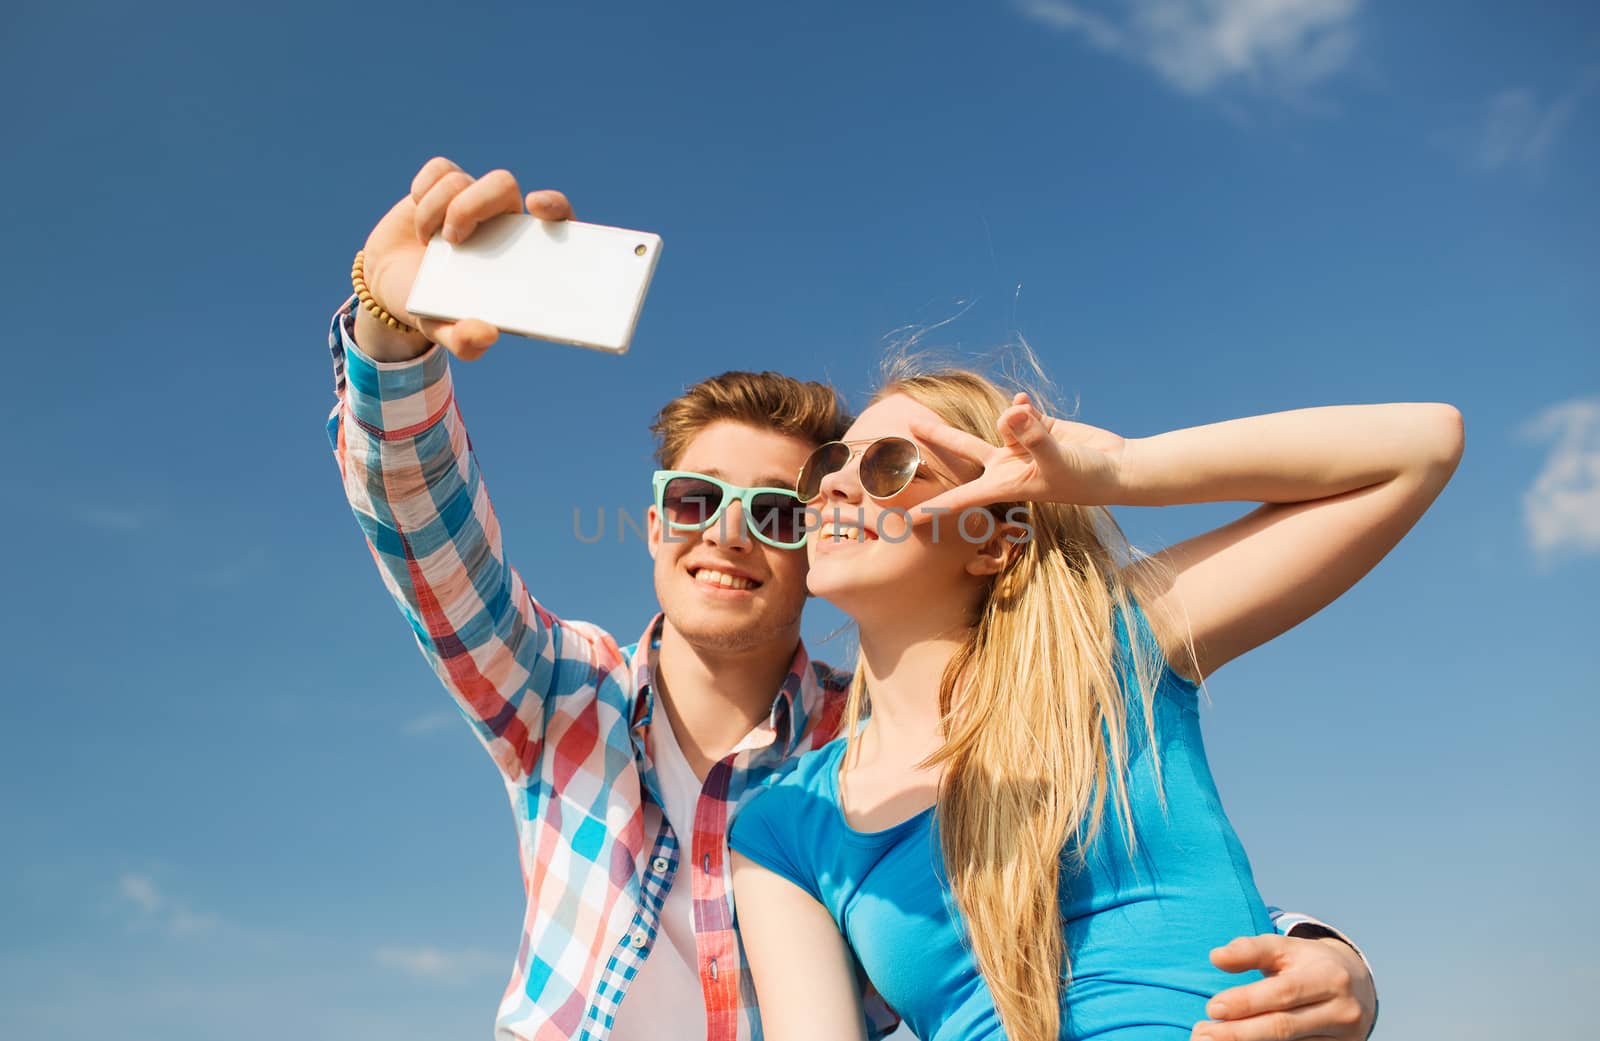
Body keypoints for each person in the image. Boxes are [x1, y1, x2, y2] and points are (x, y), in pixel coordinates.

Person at [328, 156, 1381, 1041]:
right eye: (694, 500)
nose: (728, 531)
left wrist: (1316, 949)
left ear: (813, 542)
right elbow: (424, 529)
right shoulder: (560, 693)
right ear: (653, 523)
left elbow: (1095, 877)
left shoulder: (873, 737)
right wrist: (393, 332)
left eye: (777, 510)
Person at [728, 367, 1462, 1040]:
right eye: (827, 465)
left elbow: (1422, 446)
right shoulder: (783, 826)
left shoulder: (1117, 648)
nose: (833, 489)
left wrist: (1122, 467)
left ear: (994, 540)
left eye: (888, 465)